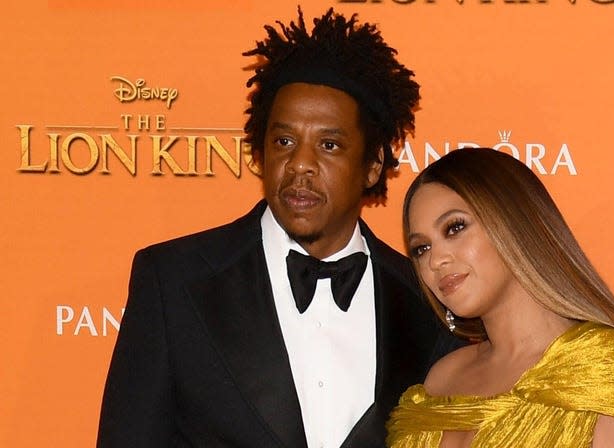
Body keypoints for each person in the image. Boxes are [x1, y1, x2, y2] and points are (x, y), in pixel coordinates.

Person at [98, 8, 457, 448]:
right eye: (284, 141)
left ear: (372, 167)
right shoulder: (173, 280)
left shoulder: (428, 302)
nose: (300, 164)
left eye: (329, 145)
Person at [386, 148, 614, 448]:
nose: (435, 260)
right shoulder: (444, 377)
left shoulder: (603, 368)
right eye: (421, 248)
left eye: (455, 228)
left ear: (513, 224)